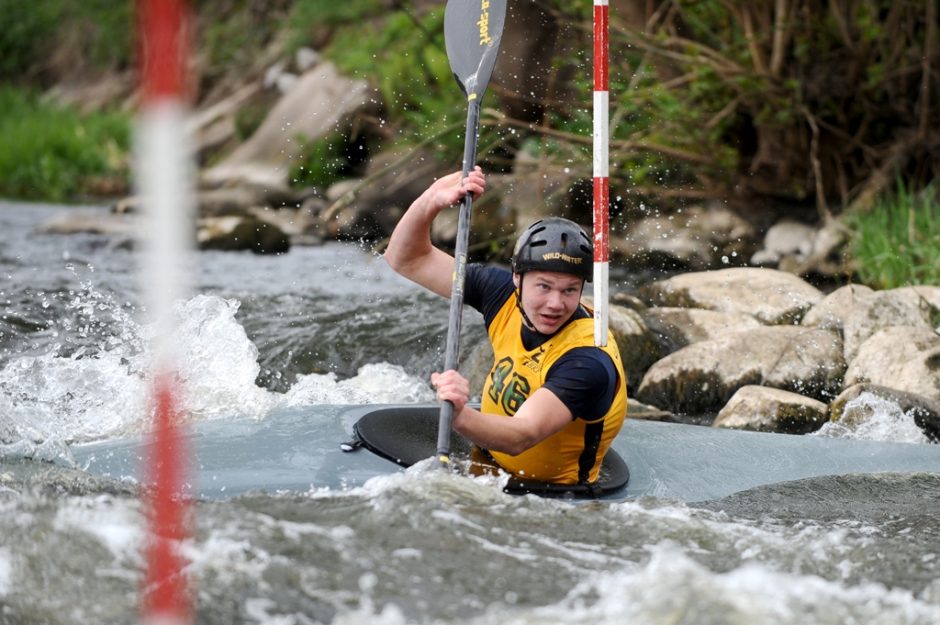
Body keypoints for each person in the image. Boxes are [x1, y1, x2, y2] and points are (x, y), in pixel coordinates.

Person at [384, 167, 627, 486]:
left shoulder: (587, 361)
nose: (555, 303)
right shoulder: (500, 293)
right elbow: (406, 259)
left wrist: (459, 415)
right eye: (544, 286)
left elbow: (521, 436)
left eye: (569, 290)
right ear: (517, 278)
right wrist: (431, 200)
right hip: (485, 467)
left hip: (551, 501)